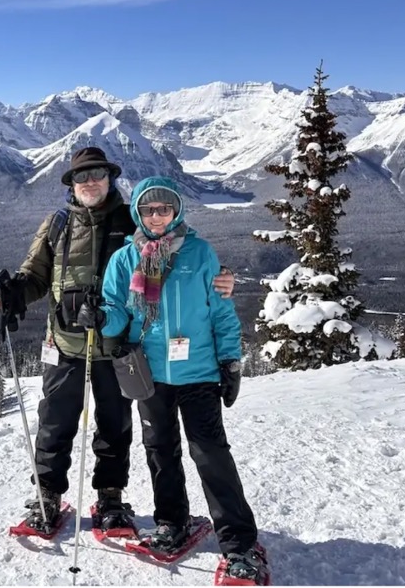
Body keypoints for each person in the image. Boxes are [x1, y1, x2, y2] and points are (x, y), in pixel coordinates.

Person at [0, 148, 235, 534]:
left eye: (98, 174)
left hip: (117, 344)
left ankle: (110, 495)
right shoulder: (56, 224)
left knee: (114, 424)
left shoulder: (132, 220)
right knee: (54, 421)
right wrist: (13, 293)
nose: (90, 182)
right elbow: (35, 273)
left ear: (110, 179)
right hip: (64, 342)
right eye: (81, 176)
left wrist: (220, 277)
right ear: (71, 184)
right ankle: (47, 496)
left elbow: (178, 253)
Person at [100, 176, 268, 583]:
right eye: (148, 210)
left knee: (210, 454)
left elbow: (220, 312)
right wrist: (101, 318)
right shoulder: (125, 259)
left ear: (177, 211)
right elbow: (117, 309)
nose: (156, 217)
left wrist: (230, 360)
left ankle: (240, 544)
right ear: (138, 212)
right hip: (151, 373)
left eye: (164, 209)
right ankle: (171, 522)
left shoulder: (199, 252)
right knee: (160, 451)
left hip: (198, 372)